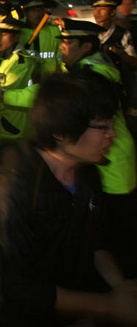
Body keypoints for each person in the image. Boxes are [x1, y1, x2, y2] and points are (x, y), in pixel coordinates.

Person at [0, 73, 137, 326]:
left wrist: (119, 286)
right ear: (61, 131)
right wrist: (107, 307)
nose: (113, 135)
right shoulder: (15, 188)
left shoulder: (88, 174)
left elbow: (94, 240)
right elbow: (18, 287)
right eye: (103, 126)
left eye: (112, 124)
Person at [58, 18, 137, 277]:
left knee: (115, 234)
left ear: (86, 46)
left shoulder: (92, 75)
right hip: (106, 159)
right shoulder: (89, 68)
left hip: (112, 163)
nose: (62, 47)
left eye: (68, 42)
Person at [0, 17, 37, 139]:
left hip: (12, 128)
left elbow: (1, 91)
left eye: (3, 34)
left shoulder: (22, 62)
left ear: (16, 37)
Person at [92, 0, 137, 110]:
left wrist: (121, 54)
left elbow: (133, 62)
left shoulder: (122, 35)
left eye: (102, 9)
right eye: (95, 8)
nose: (97, 13)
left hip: (115, 91)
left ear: (112, 12)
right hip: (93, 89)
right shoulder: (89, 33)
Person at [19, 0, 61, 77]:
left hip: (48, 81)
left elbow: (61, 58)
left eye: (40, 9)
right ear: (26, 13)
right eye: (33, 10)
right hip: (24, 82)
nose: (37, 13)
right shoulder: (19, 30)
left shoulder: (54, 30)